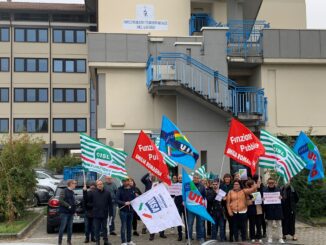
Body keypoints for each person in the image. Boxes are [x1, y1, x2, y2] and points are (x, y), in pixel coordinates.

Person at [89, 180, 113, 245]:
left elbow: (110, 204)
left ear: (103, 185)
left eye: (101, 184)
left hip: (104, 213)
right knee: (97, 228)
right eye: (98, 184)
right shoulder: (93, 193)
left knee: (105, 228)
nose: (100, 185)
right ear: (97, 185)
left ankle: (105, 241)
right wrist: (94, 206)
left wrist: (111, 213)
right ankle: (97, 241)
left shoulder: (107, 193)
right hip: (96, 214)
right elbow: (88, 202)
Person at [263, 177, 284, 244]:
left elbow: (283, 201)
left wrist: (281, 198)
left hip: (278, 210)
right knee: (269, 225)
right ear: (267, 183)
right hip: (269, 210)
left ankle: (280, 238)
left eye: (272, 182)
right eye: (269, 183)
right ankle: (270, 238)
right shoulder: (265, 190)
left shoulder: (279, 190)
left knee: (279, 225)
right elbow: (263, 203)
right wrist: (263, 200)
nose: (271, 184)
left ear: (274, 183)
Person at [116, 177, 137, 245]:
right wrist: (124, 203)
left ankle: (129, 240)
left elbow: (134, 198)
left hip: (131, 210)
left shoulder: (132, 188)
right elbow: (116, 200)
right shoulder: (119, 189)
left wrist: (135, 197)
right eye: (123, 181)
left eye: (126, 181)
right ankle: (123, 241)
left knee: (129, 226)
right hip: (123, 211)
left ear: (128, 181)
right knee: (124, 226)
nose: (125, 182)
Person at [187, 173, 206, 244]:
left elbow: (204, 196)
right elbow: (185, 194)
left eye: (197, 178)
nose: (196, 179)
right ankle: (189, 238)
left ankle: (200, 238)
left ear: (199, 179)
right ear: (193, 178)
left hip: (199, 208)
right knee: (190, 223)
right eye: (194, 178)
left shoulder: (202, 186)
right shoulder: (189, 185)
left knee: (200, 223)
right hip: (191, 208)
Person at [58, 179, 77, 245]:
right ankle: (59, 242)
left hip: (71, 213)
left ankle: (69, 241)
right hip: (64, 213)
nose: (75, 185)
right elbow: (60, 200)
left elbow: (73, 202)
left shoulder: (72, 192)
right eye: (74, 183)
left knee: (70, 228)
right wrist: (68, 206)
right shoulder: (64, 191)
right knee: (62, 227)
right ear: (70, 184)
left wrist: (74, 211)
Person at [220, 173, 234, 242]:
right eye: (226, 178)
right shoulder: (221, 185)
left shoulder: (232, 186)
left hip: (231, 206)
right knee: (223, 223)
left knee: (231, 222)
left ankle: (231, 237)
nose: (227, 179)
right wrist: (222, 198)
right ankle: (223, 236)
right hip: (223, 206)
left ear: (230, 178)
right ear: (224, 179)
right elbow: (219, 195)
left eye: (228, 177)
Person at [174, 174, 188, 241]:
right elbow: (171, 194)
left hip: (185, 206)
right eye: (179, 178)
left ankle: (187, 235)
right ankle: (180, 235)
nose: (180, 179)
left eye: (181, 178)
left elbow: (189, 194)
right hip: (178, 206)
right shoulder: (175, 185)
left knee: (186, 221)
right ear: (178, 179)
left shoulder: (186, 185)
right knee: (179, 221)